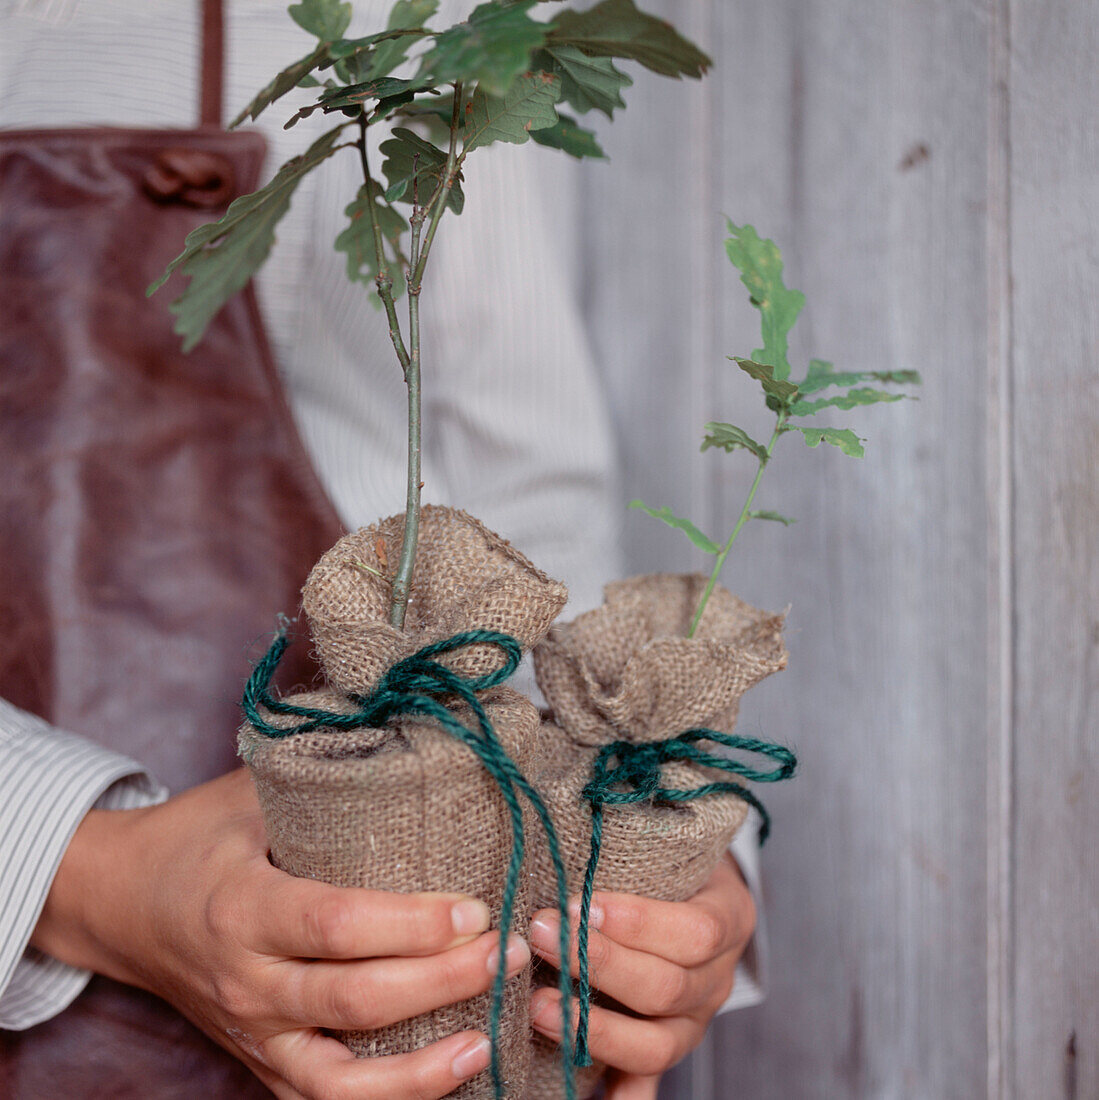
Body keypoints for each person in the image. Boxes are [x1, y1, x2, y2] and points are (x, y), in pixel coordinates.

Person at [0, 3, 763, 1098]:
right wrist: (84, 871)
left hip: (416, 953)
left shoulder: (439, 27)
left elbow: (530, 504)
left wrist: (659, 859)